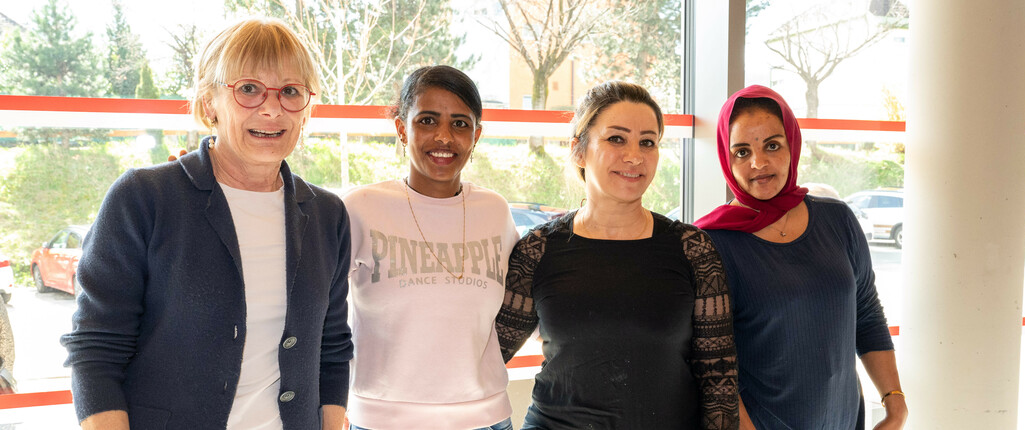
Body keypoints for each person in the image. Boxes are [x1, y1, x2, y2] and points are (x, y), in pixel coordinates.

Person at [60, 18, 352, 429]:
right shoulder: (145, 198)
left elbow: (333, 347)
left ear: (306, 108)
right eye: (249, 89)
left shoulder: (327, 214)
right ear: (209, 101)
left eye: (290, 91)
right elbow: (96, 350)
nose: (271, 109)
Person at [495, 81, 739, 429]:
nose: (635, 156)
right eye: (616, 138)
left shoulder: (692, 249)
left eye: (648, 142)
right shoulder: (538, 250)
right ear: (579, 150)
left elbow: (719, 383)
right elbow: (486, 359)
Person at [693, 85, 907, 430]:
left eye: (772, 146)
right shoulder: (710, 243)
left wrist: (894, 404)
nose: (758, 163)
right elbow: (713, 367)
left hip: (843, 420)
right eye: (742, 151)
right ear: (725, 157)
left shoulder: (837, 220)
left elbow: (866, 314)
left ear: (792, 146)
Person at [343, 65, 518, 430]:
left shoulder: (495, 211)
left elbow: (512, 309)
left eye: (460, 123)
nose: (444, 137)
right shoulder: (360, 208)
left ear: (477, 135)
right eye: (426, 120)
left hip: (486, 419)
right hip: (381, 421)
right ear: (401, 128)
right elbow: (320, 316)